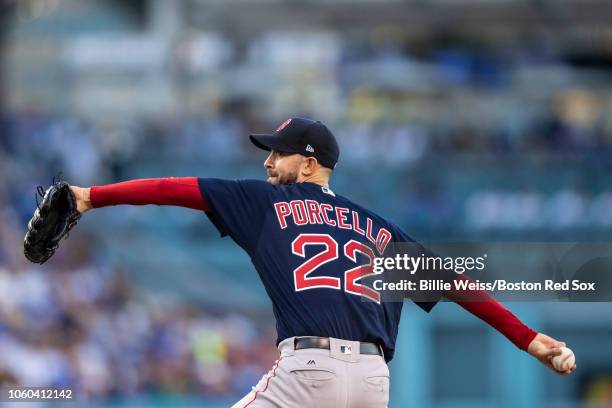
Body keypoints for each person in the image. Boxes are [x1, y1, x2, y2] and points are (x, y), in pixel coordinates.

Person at [69, 118, 575, 408]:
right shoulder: (380, 229)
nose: (268, 162)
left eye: (279, 154)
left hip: (308, 370)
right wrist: (529, 338)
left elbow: (166, 189)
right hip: (374, 384)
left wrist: (90, 195)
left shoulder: (263, 204)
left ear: (309, 164)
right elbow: (458, 284)